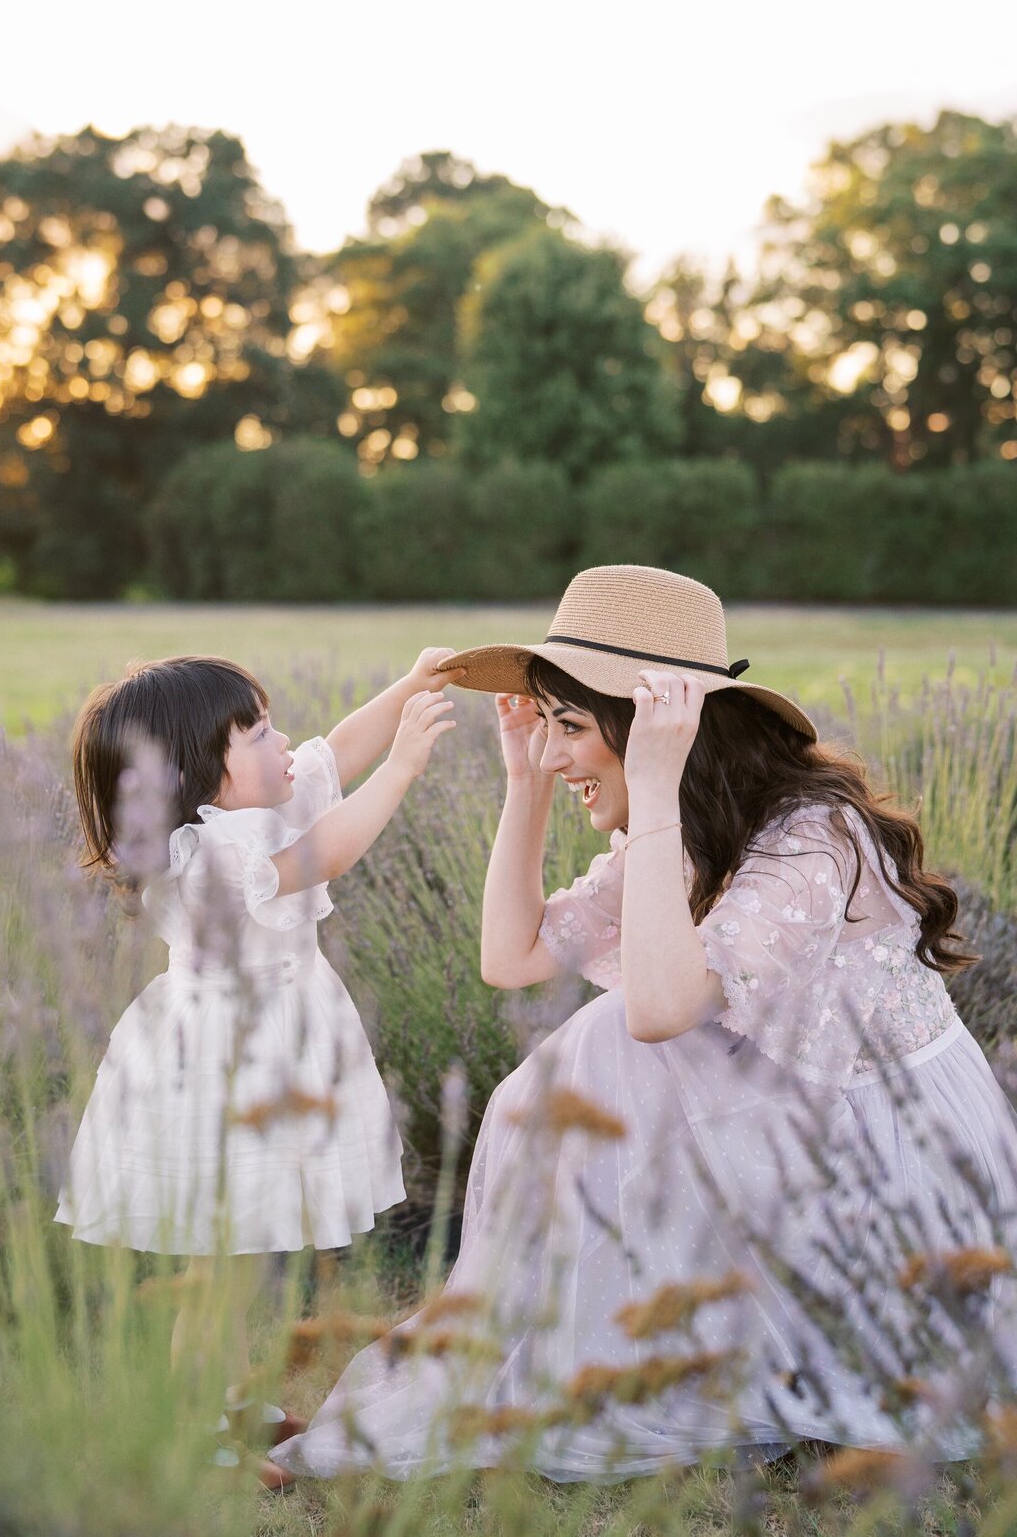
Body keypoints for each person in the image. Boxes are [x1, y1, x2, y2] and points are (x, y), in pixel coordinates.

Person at [271, 564, 1017, 1484]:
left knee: (621, 1037)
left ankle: (825, 1361)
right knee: (601, 1047)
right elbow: (514, 959)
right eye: (544, 724)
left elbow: (663, 1011)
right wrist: (523, 784)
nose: (552, 751)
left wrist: (655, 789)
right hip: (801, 1137)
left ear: (663, 726)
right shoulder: (687, 832)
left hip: (895, 1169)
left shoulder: (815, 838)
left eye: (570, 726)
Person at [55, 649, 459, 1487]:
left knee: (237, 1260)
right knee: (219, 1268)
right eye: (259, 732)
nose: (284, 744)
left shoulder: (250, 808)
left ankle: (229, 1403)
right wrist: (406, 768)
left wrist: (410, 684)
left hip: (270, 1048)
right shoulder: (204, 856)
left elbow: (335, 751)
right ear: (202, 773)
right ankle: (191, 1433)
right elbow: (327, 856)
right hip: (221, 1068)